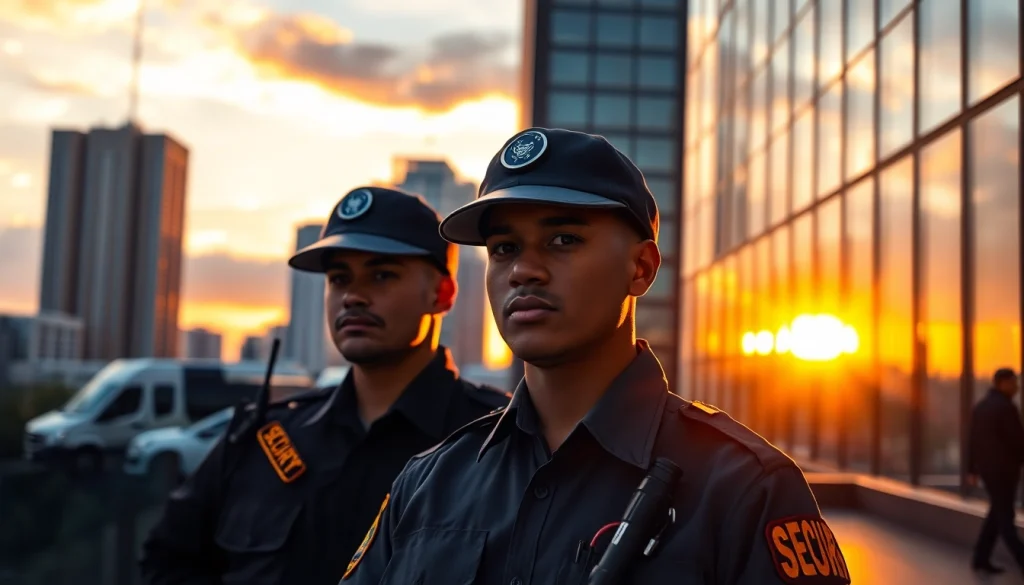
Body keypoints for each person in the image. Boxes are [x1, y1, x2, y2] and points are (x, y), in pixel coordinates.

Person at [340, 128, 851, 585]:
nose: (524, 271)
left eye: (563, 240)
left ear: (641, 268)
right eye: (504, 248)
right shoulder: (431, 480)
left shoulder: (744, 488)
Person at [139, 186, 510, 585]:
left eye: (382, 275)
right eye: (339, 278)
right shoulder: (267, 438)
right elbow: (168, 561)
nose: (352, 296)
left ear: (442, 293)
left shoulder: (499, 441)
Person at [968, 367, 1024, 575]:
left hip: (988, 471)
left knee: (996, 514)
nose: (1017, 386)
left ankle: (980, 558)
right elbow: (1018, 442)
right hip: (1005, 472)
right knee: (1005, 517)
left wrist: (971, 468)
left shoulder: (982, 407)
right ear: (1002, 383)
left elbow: (972, 441)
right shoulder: (1006, 408)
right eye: (1013, 382)